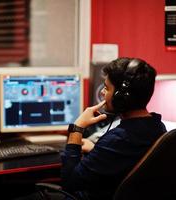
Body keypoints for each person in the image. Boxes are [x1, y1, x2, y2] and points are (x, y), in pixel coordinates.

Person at [61, 57, 167, 200]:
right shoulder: (159, 128)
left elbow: (69, 183)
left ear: (121, 97)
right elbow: (126, 160)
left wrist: (77, 128)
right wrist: (96, 150)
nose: (103, 93)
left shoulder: (117, 139)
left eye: (106, 87)